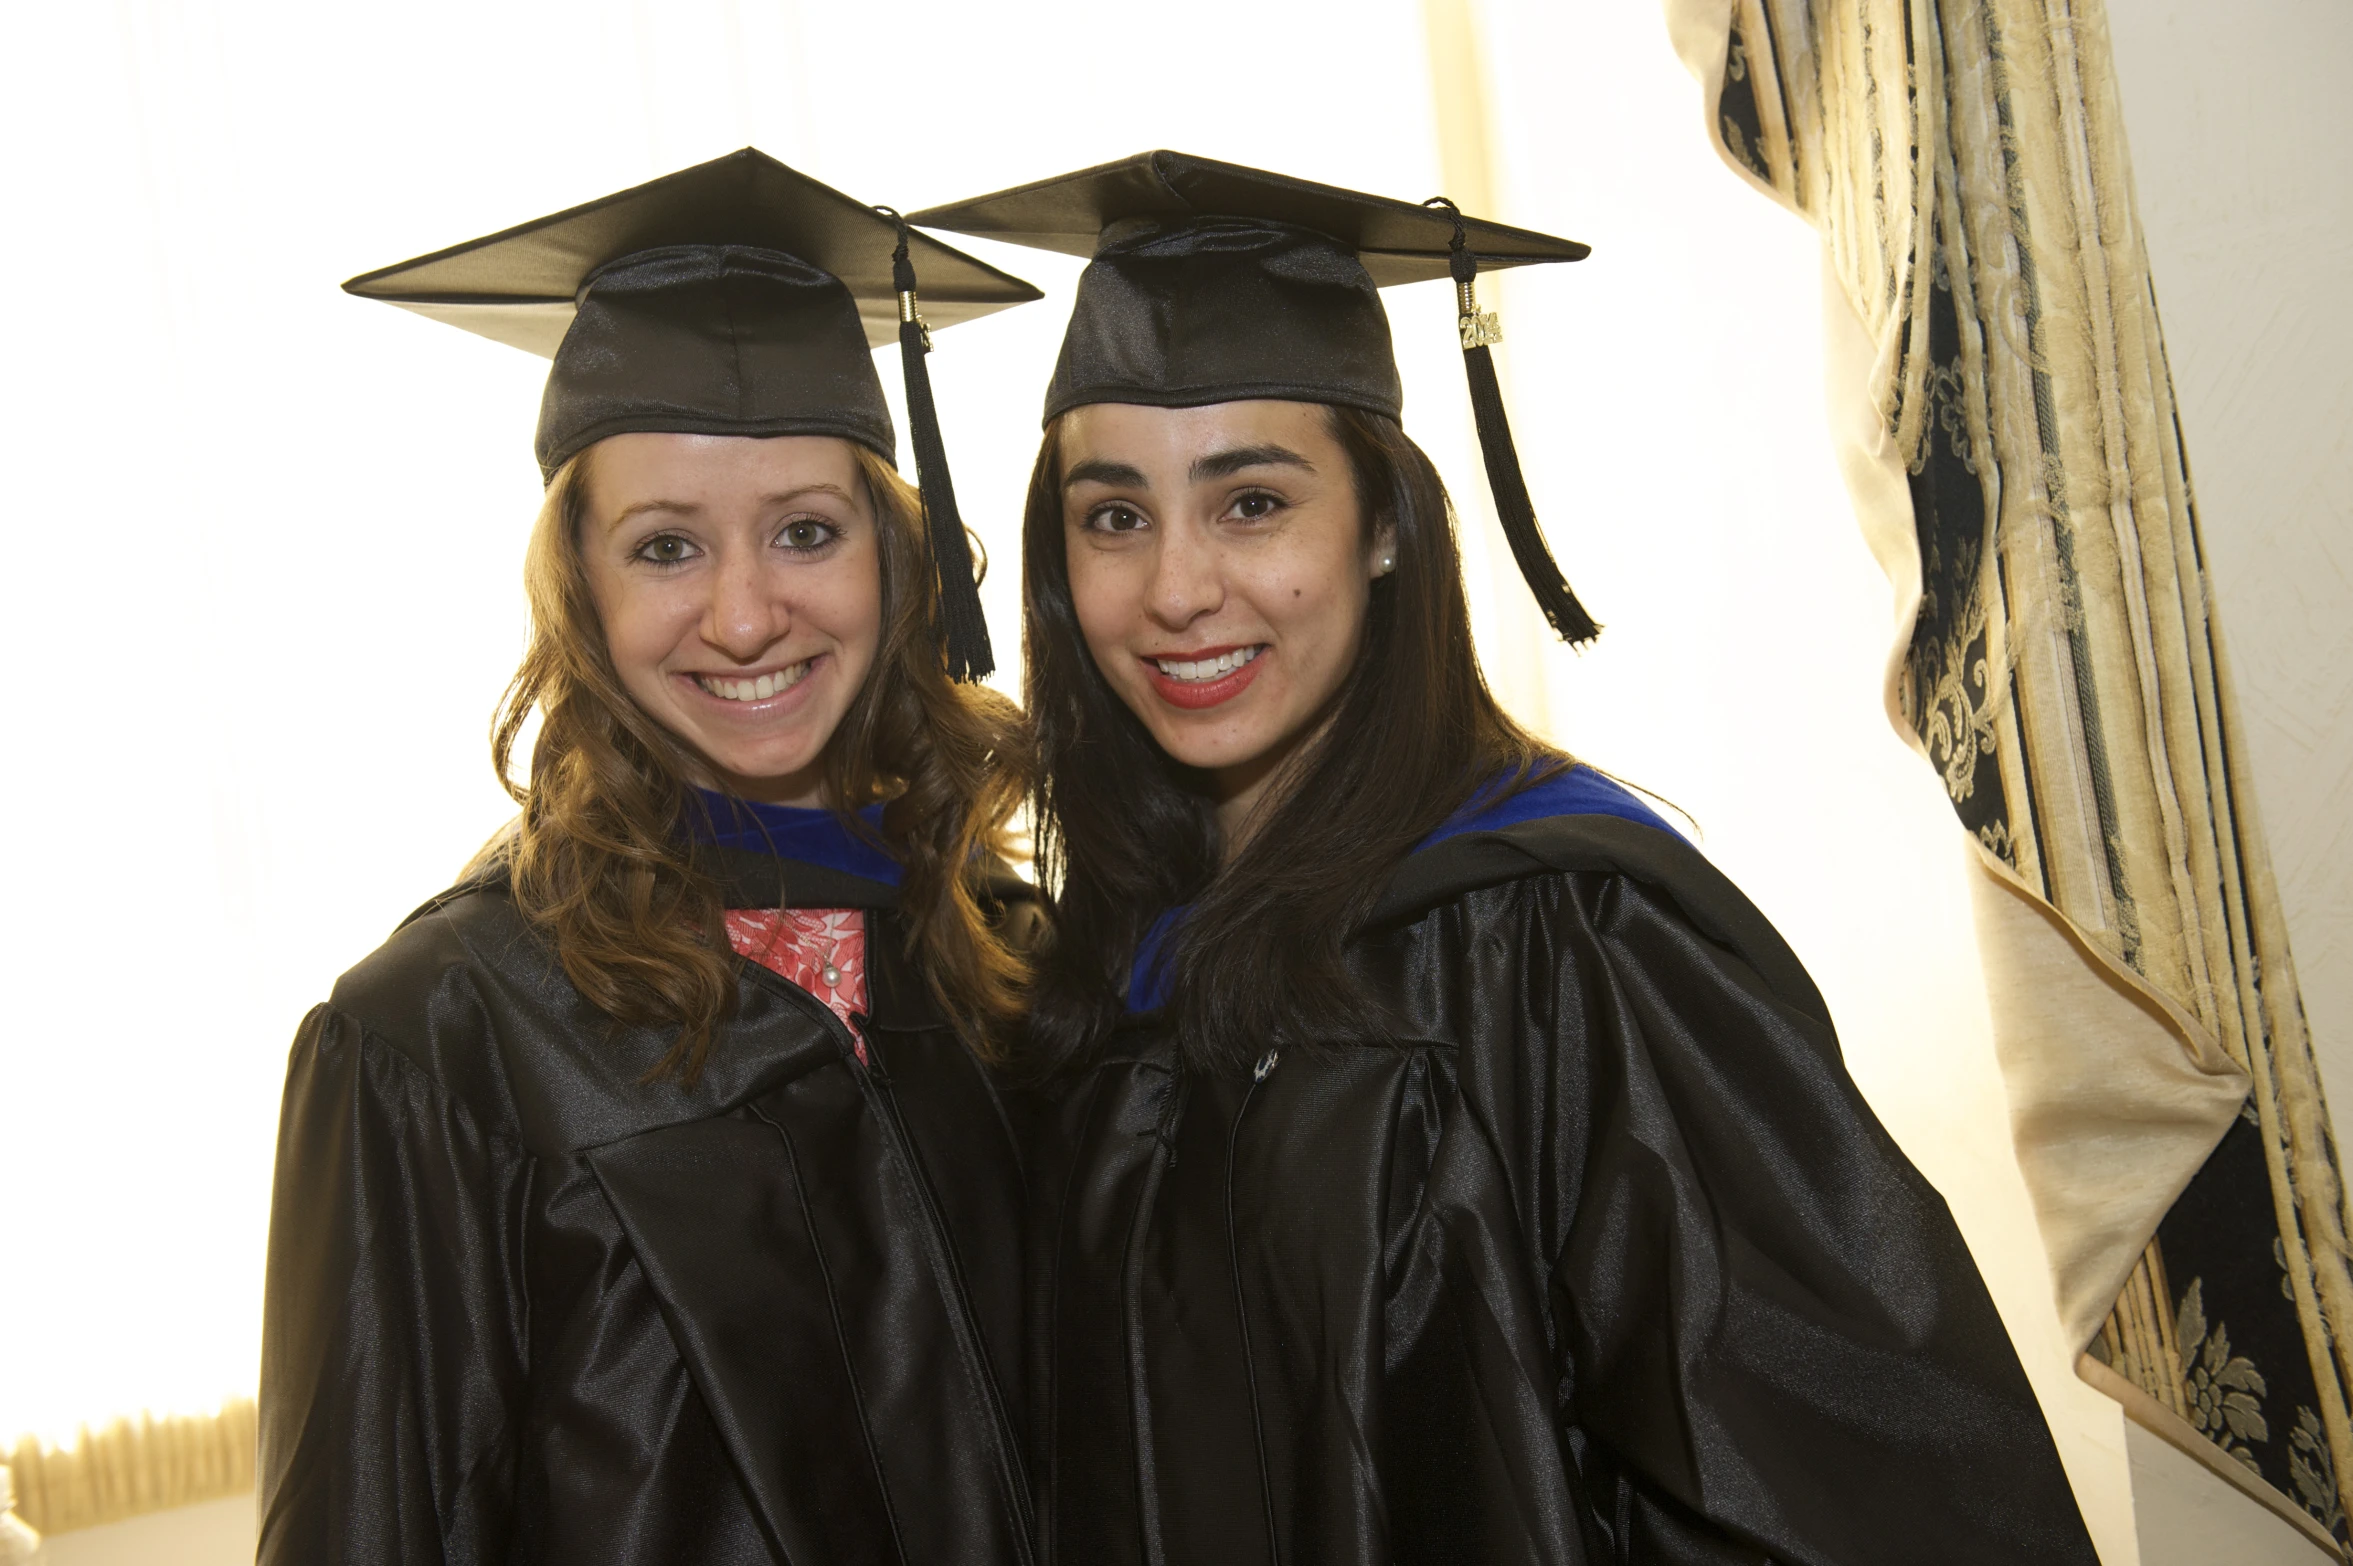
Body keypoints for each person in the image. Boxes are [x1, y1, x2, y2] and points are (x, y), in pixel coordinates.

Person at [912, 151, 2101, 1565]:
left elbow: (1857, 1489)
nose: (1177, 586)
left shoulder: (1557, 940)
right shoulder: (1094, 972)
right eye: (1116, 515)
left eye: (1253, 503)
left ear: (1385, 535)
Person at [258, 150, 1045, 1566]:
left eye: (807, 531)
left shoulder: (1010, 959)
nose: (746, 616)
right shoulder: (440, 1039)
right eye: (667, 547)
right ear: (584, 589)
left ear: (896, 556)